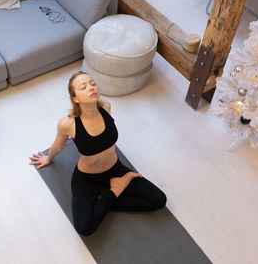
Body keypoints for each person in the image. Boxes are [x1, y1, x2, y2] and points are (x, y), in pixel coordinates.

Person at [29, 71, 166, 236]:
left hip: (116, 170)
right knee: (84, 228)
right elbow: (58, 147)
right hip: (87, 179)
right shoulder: (68, 124)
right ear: (75, 99)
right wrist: (48, 158)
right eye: (83, 87)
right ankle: (115, 190)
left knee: (159, 200)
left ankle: (103, 201)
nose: (91, 87)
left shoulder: (106, 107)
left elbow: (105, 137)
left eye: (92, 83)